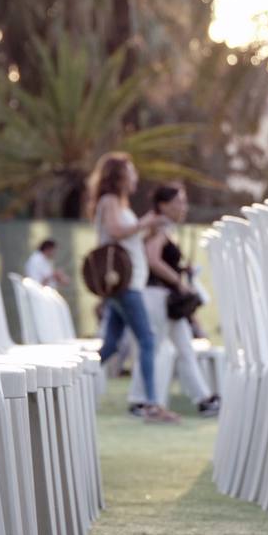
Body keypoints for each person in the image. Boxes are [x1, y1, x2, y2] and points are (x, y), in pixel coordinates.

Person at [87, 152, 179, 423]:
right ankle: (152, 404)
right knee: (147, 339)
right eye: (130, 171)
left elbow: (129, 235)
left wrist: (149, 228)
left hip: (129, 282)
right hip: (124, 284)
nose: (135, 176)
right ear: (119, 176)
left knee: (112, 344)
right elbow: (116, 231)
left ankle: (73, 377)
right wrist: (145, 223)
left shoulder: (119, 203)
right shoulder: (110, 201)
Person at [131, 183, 220, 417]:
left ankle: (204, 399)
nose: (183, 207)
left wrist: (181, 270)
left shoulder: (164, 226)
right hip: (156, 296)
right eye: (178, 202)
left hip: (167, 301)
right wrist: (178, 281)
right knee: (155, 347)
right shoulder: (157, 225)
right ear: (163, 205)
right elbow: (152, 258)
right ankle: (139, 400)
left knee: (185, 348)